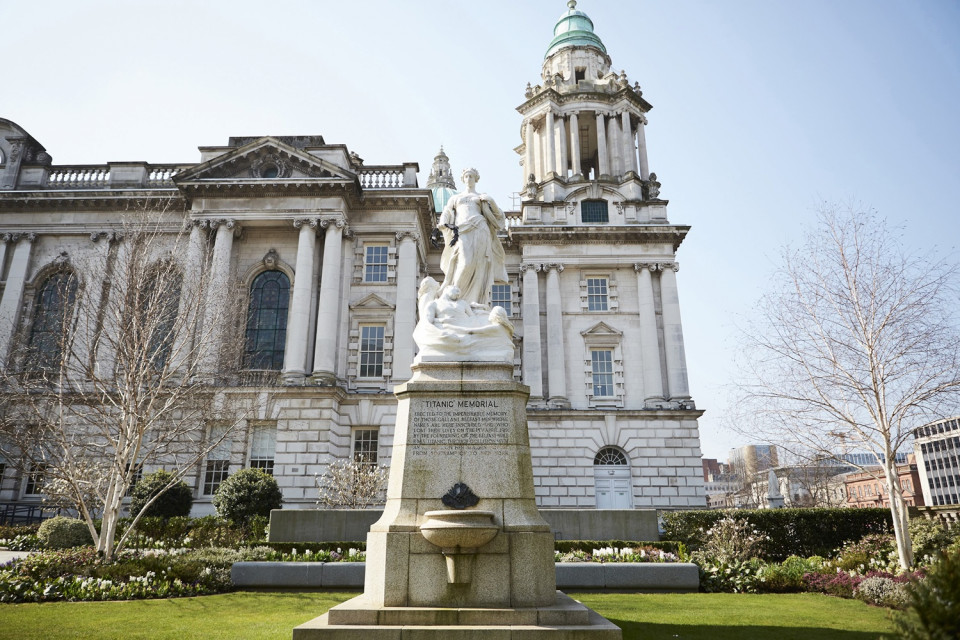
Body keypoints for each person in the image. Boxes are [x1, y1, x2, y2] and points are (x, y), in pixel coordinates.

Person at [438, 168, 508, 307]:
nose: (469, 178)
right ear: (463, 179)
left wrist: (491, 201)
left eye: (471, 176)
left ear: (476, 179)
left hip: (481, 229)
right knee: (466, 262)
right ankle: (453, 297)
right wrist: (442, 223)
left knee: (479, 265)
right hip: (462, 230)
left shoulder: (482, 197)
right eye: (466, 176)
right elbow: (447, 212)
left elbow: (499, 217)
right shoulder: (455, 198)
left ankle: (474, 301)